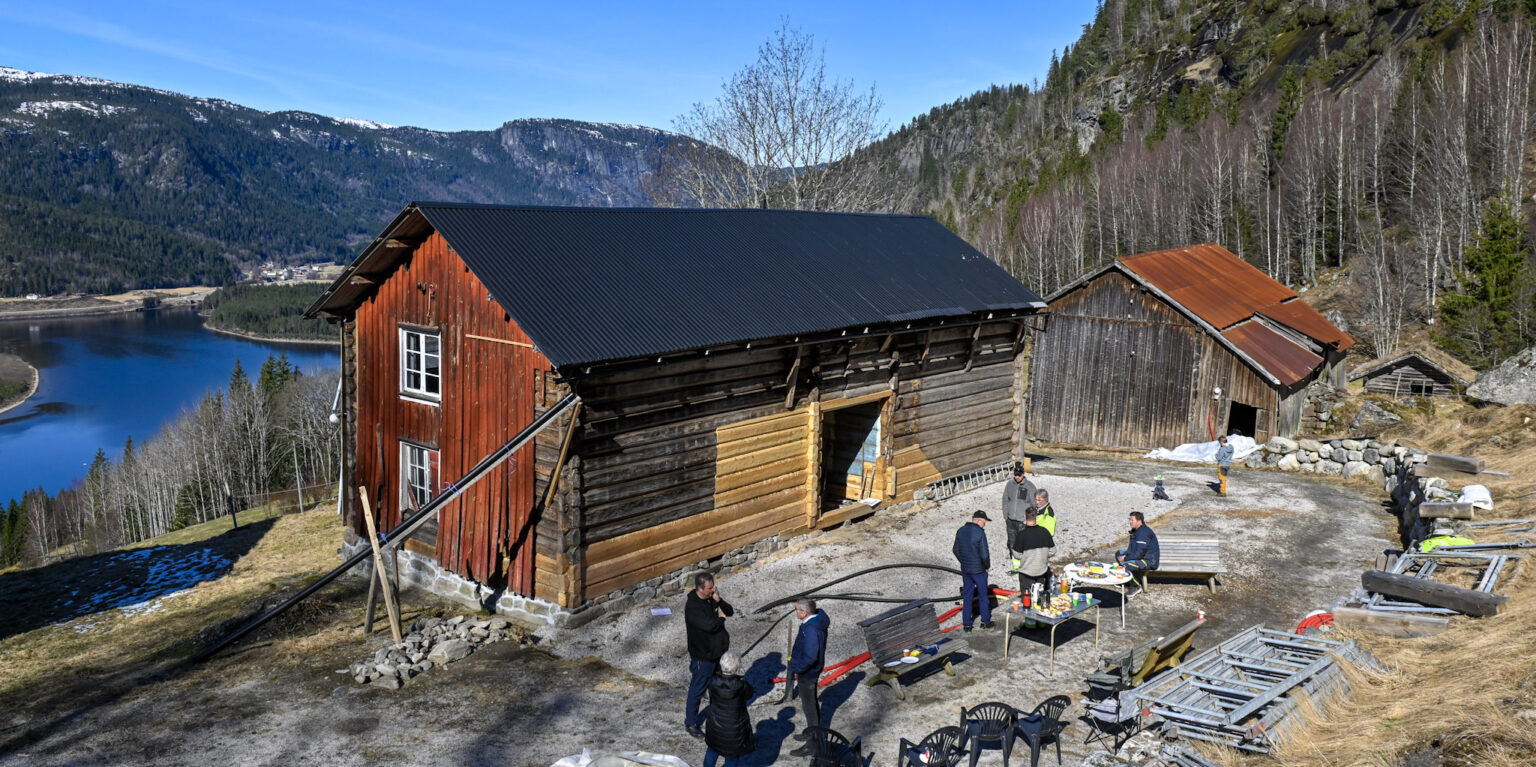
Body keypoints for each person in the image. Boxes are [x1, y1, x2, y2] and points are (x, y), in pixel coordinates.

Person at [685, 572, 734, 739]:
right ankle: (691, 722)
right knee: (697, 690)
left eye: (714, 586)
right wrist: (721, 619)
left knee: (716, 686)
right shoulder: (693, 607)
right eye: (710, 588)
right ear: (700, 588)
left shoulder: (711, 598)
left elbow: (730, 611)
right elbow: (710, 626)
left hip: (717, 652)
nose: (713, 590)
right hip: (703, 655)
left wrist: (719, 600)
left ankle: (716, 715)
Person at [787, 598, 829, 756]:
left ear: (804, 612)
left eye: (797, 609)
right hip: (808, 671)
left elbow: (811, 656)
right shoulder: (814, 622)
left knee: (809, 707)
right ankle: (812, 733)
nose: (796, 611)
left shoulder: (811, 629)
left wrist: (797, 668)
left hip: (808, 673)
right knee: (810, 704)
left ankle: (813, 743)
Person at [703, 651, 755, 767]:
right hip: (734, 731)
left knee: (712, 750)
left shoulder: (712, 682)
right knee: (732, 757)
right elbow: (750, 694)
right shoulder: (741, 686)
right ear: (737, 667)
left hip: (715, 726)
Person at [1012, 509, 1055, 628]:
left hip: (1026, 572)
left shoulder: (1022, 535)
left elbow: (1016, 554)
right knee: (1041, 597)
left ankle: (1030, 623)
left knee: (1028, 599)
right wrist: (1042, 555)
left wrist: (1027, 557)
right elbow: (1053, 551)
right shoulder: (1045, 532)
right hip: (1042, 570)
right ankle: (1042, 622)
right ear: (1036, 518)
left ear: (1025, 517)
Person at [951, 510, 993, 632]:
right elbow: (985, 554)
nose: (984, 525)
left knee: (967, 596)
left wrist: (964, 562)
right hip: (979, 570)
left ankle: (967, 625)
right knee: (983, 596)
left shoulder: (960, 530)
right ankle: (985, 622)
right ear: (979, 521)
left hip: (966, 570)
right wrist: (986, 566)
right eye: (984, 522)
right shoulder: (980, 533)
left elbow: (955, 550)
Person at [1001, 462, 1037, 568]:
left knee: (1024, 543)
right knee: (1012, 542)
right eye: (1015, 475)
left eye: (1019, 475)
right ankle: (1016, 565)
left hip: (1023, 521)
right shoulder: (1009, 484)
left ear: (1023, 474)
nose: (1017, 477)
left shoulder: (1030, 487)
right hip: (1010, 520)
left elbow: (1033, 505)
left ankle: (1025, 563)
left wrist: (1029, 519)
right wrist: (1005, 516)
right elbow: (1005, 500)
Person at [1116, 511, 1160, 585]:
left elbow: (1139, 555)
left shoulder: (1143, 533)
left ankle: (1135, 586)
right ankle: (1126, 578)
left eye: (1132, 520)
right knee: (1118, 554)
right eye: (1129, 520)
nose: (1130, 522)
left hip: (1148, 561)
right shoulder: (1136, 531)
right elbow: (1133, 550)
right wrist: (1125, 555)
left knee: (1126, 564)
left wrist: (1125, 558)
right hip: (1140, 556)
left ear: (1139, 521)